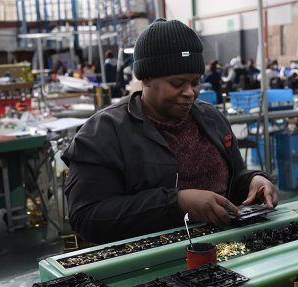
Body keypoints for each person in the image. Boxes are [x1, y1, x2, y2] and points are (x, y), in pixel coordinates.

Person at [62, 18, 278, 244]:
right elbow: (87, 218)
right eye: (177, 84)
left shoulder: (212, 119)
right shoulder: (103, 133)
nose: (190, 93)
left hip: (224, 249)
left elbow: (233, 182)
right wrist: (176, 204)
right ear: (146, 79)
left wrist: (254, 181)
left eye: (195, 82)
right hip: (148, 262)